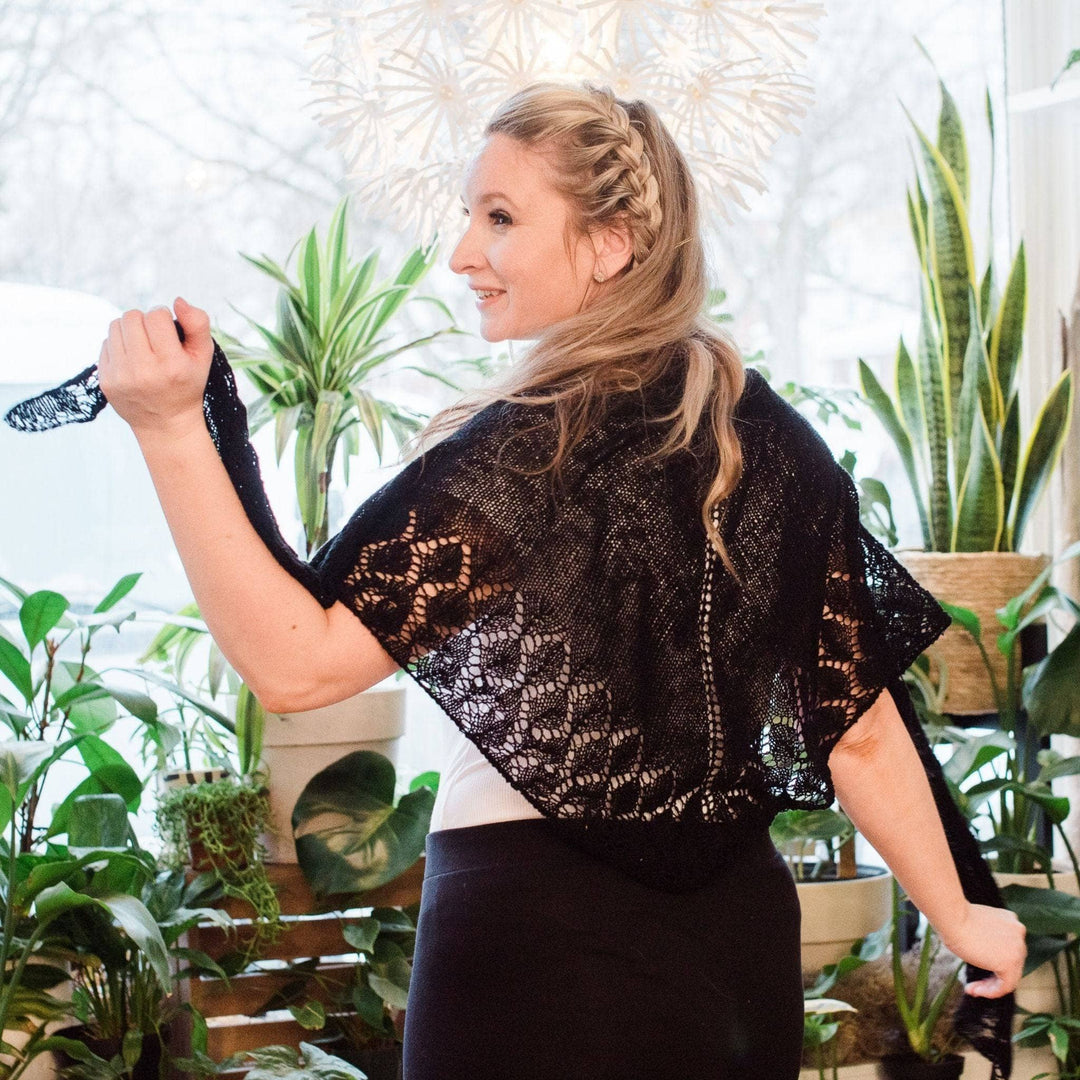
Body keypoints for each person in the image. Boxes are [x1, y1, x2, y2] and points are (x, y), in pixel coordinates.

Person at [96, 82, 1025, 1079]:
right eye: (469, 216)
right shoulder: (768, 442)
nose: (463, 253)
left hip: (537, 953)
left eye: (500, 218)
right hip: (737, 952)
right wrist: (962, 915)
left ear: (610, 242)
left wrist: (169, 430)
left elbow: (296, 663)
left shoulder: (530, 454)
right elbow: (861, 725)